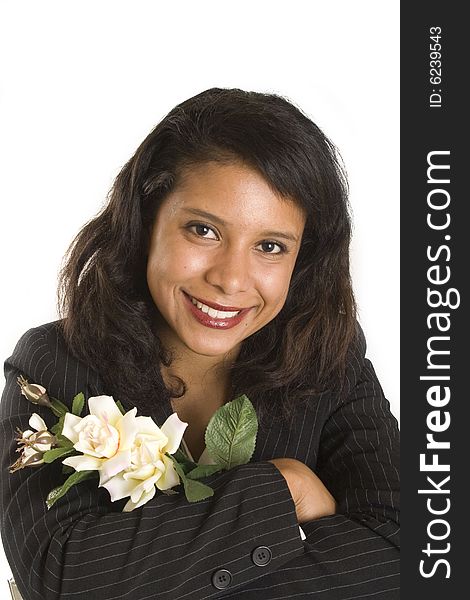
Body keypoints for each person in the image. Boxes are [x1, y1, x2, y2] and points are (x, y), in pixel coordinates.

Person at [0, 88, 400, 599]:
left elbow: (407, 548)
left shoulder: (330, 359)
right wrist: (285, 489)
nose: (231, 280)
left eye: (270, 246)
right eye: (203, 230)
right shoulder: (54, 360)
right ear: (146, 220)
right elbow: (61, 577)